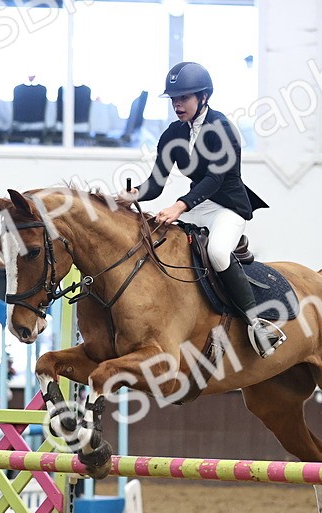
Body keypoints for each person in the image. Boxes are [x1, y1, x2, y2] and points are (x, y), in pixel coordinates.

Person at [117, 61, 284, 358]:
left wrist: (180, 206)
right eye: (174, 99)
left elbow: (215, 179)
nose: (177, 105)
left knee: (218, 252)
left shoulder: (222, 129)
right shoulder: (172, 134)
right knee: (160, 241)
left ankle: (257, 323)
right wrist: (133, 195)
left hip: (228, 206)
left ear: (203, 97)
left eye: (184, 98)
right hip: (198, 204)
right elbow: (156, 183)